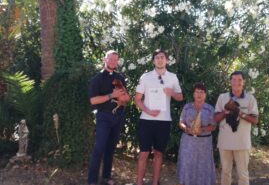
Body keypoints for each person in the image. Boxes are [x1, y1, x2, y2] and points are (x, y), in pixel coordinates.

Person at [135, 49, 183, 185]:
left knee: (158, 154)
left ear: (166, 60)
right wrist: (148, 111)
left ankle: (155, 182)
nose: (160, 59)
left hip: (164, 121)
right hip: (146, 120)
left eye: (162, 57)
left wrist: (171, 92)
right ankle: (139, 182)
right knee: (143, 154)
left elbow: (180, 97)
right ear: (153, 61)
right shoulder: (145, 77)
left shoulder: (173, 77)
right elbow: (137, 99)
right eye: (157, 57)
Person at [87, 50, 130, 185]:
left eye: (115, 60)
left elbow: (127, 97)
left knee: (111, 147)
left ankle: (106, 177)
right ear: (105, 60)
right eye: (110, 59)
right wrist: (112, 95)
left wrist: (122, 99)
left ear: (117, 62)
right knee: (99, 147)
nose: (113, 62)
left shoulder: (120, 78)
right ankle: (92, 181)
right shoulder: (97, 79)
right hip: (103, 117)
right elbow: (93, 101)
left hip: (118, 116)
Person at [214, 71, 259, 185]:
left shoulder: (250, 99)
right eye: (234, 80)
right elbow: (215, 118)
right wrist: (226, 111)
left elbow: (255, 120)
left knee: (243, 174)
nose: (236, 82)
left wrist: (240, 113)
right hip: (225, 142)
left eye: (239, 80)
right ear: (230, 82)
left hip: (242, 143)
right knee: (225, 172)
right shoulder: (222, 97)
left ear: (243, 82)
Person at [177, 83, 216, 185]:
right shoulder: (187, 107)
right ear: (193, 94)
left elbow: (214, 126)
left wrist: (202, 129)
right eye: (197, 92)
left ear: (205, 95)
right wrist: (186, 128)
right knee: (187, 164)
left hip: (204, 143)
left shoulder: (210, 109)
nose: (199, 94)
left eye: (202, 92)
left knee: (202, 166)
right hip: (188, 142)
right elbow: (181, 122)